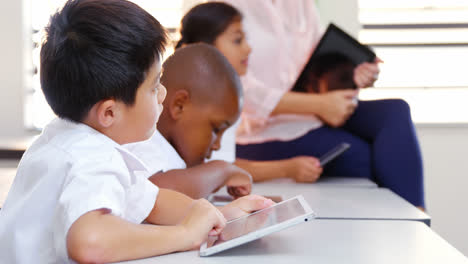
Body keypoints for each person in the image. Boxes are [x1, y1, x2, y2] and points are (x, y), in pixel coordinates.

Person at [0, 1, 273, 263]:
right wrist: (185, 234)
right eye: (154, 86)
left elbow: (152, 201)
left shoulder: (63, 138)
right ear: (109, 113)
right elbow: (90, 242)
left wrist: (219, 216)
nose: (163, 94)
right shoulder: (92, 158)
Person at [205, 0, 425, 208]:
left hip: (316, 112)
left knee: (395, 111)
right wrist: (318, 105)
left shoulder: (301, 4)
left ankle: (418, 217)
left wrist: (355, 73)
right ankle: (405, 226)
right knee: (363, 157)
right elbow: (239, 90)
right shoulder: (227, 9)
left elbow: (321, 63)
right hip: (265, 130)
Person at [176, 2, 323, 183]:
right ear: (203, 46)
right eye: (238, 41)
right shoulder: (198, 100)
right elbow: (212, 167)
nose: (248, 49)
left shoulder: (224, 93)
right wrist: (288, 168)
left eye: (246, 39)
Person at [125, 43, 253, 199]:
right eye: (215, 129)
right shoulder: (143, 140)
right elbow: (157, 195)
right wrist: (222, 171)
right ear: (179, 106)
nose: (217, 145)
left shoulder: (170, 152)